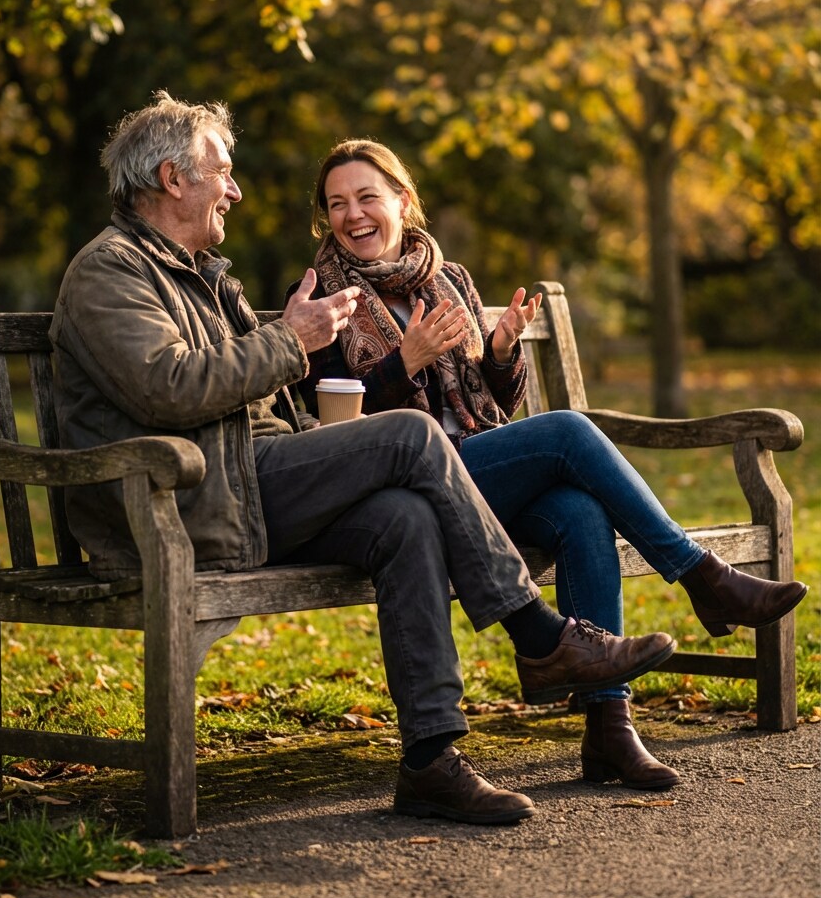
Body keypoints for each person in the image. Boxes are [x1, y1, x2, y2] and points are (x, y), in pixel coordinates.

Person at [49, 92, 682, 827]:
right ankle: (540, 637)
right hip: (181, 505)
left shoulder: (204, 273)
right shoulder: (111, 273)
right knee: (412, 436)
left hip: (246, 483)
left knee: (403, 518)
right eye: (222, 173)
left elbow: (255, 399)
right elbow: (168, 388)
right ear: (171, 178)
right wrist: (293, 342)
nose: (235, 189)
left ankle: (431, 762)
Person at [290, 138, 808, 792]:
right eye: (337, 204)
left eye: (367, 197)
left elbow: (495, 398)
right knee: (566, 431)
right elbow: (339, 429)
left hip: (482, 470)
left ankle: (609, 731)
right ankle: (702, 576)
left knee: (578, 510)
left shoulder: (449, 280)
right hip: (410, 485)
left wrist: (503, 352)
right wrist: (404, 364)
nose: (353, 215)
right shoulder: (321, 298)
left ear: (402, 200)